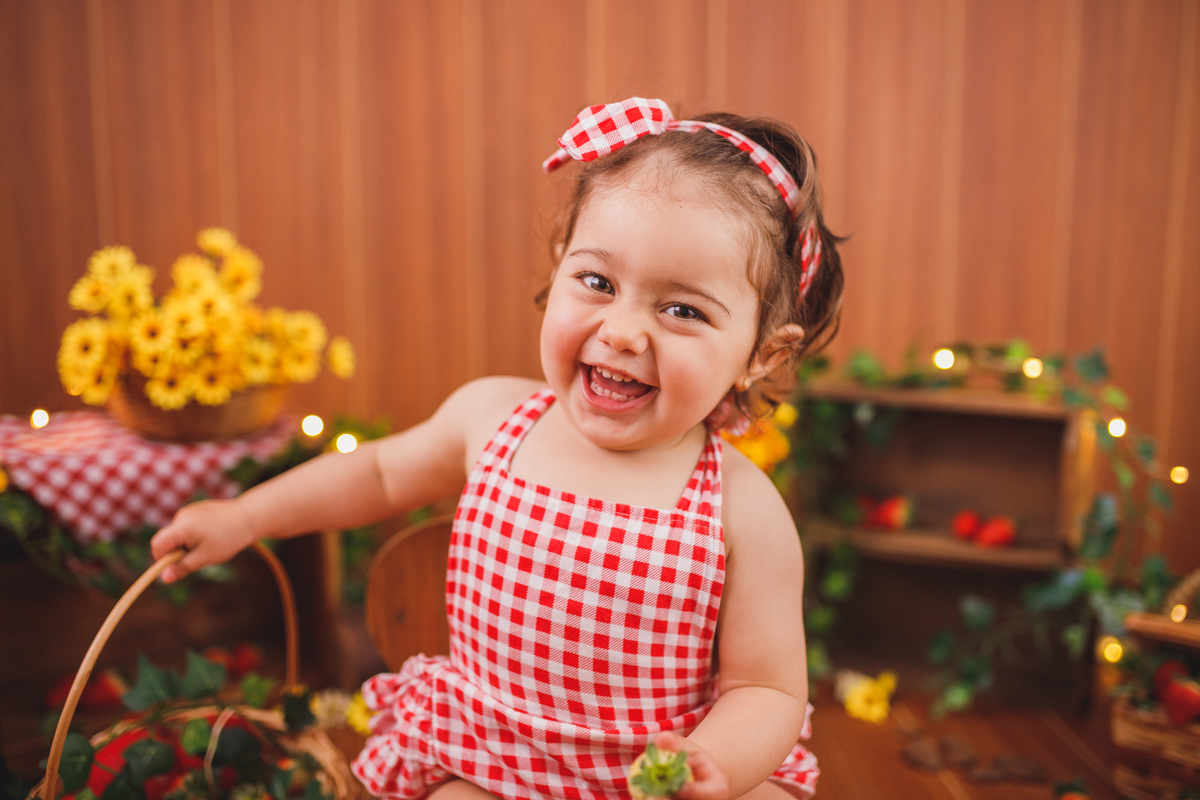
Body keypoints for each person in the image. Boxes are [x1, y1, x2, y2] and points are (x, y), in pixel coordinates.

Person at [151, 97, 844, 800]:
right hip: (498, 761)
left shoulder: (740, 508)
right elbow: (379, 473)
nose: (624, 331)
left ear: (760, 354)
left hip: (659, 777)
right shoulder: (491, 417)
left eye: (683, 310)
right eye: (598, 281)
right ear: (559, 265)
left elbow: (767, 690)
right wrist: (245, 518)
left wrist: (711, 766)